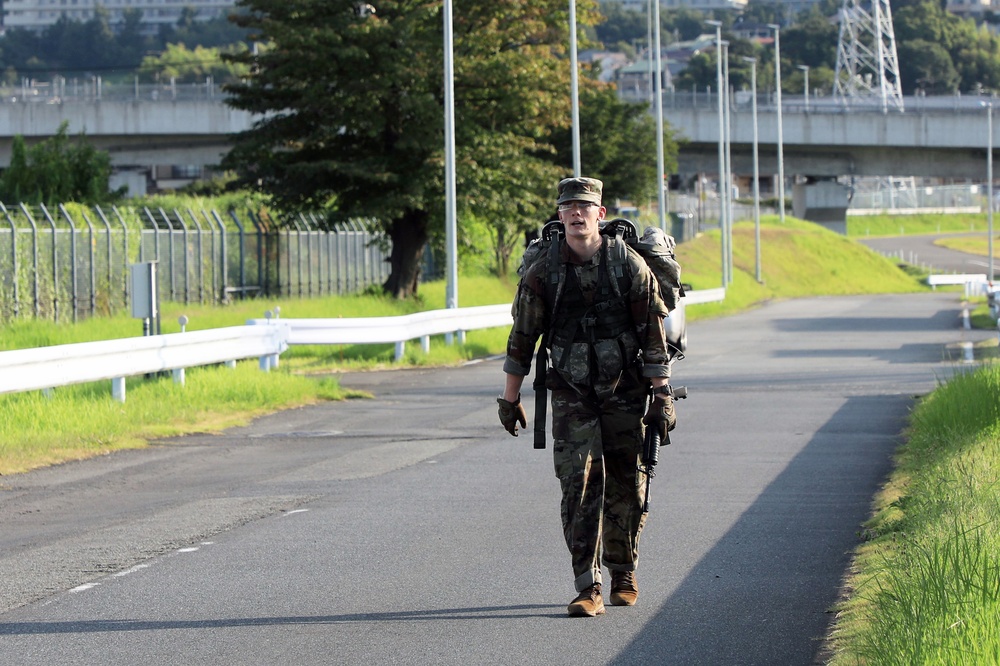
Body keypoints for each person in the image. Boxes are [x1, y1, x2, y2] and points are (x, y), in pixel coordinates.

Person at [497, 176, 676, 618]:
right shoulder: (545, 272)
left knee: (627, 483)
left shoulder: (628, 264)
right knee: (577, 485)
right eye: (568, 207)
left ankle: (623, 571)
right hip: (572, 394)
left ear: (600, 213)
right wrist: (509, 397)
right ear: (560, 216)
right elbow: (523, 339)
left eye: (585, 206)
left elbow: (653, 337)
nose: (576, 214)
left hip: (625, 390)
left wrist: (662, 395)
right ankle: (587, 585)